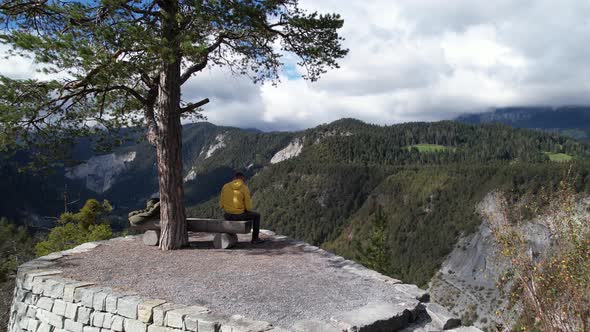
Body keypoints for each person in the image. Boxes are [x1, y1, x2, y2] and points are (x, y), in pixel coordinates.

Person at [219, 172, 264, 244]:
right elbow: (248, 207)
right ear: (242, 179)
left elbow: (221, 204)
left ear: (234, 178)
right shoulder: (244, 188)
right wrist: (245, 210)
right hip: (239, 216)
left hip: (227, 215)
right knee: (257, 216)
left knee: (230, 213)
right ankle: (255, 239)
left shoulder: (225, 186)